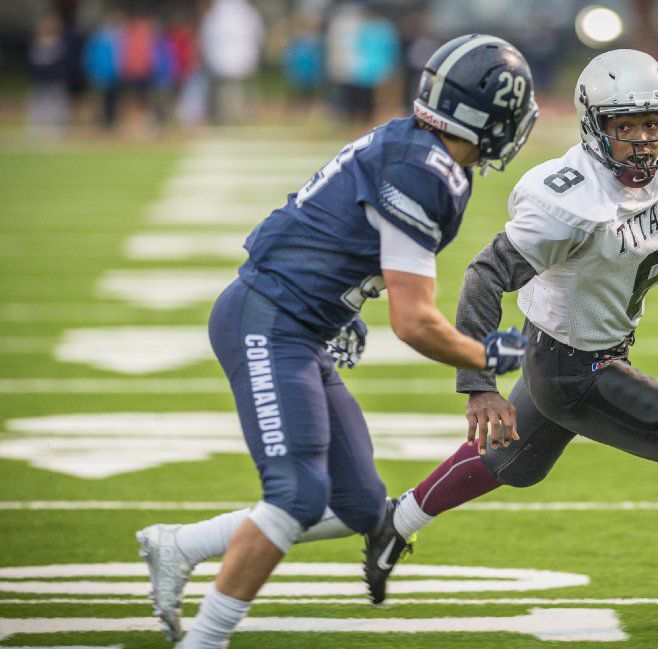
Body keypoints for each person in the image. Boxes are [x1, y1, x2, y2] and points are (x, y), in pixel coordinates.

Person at [363, 49, 658, 616]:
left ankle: (396, 520)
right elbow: (484, 275)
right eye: (623, 126)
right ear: (594, 126)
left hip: (577, 348)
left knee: (514, 464)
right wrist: (478, 385)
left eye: (651, 124)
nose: (641, 141)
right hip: (571, 367)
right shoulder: (568, 199)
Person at [135, 34, 539, 647]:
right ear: (492, 117)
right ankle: (205, 640)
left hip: (300, 323)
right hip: (270, 321)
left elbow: (320, 220)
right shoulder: (424, 170)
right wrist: (485, 356)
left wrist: (344, 302)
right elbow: (415, 323)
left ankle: (181, 544)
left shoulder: (416, 147)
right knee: (296, 494)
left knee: (359, 503)